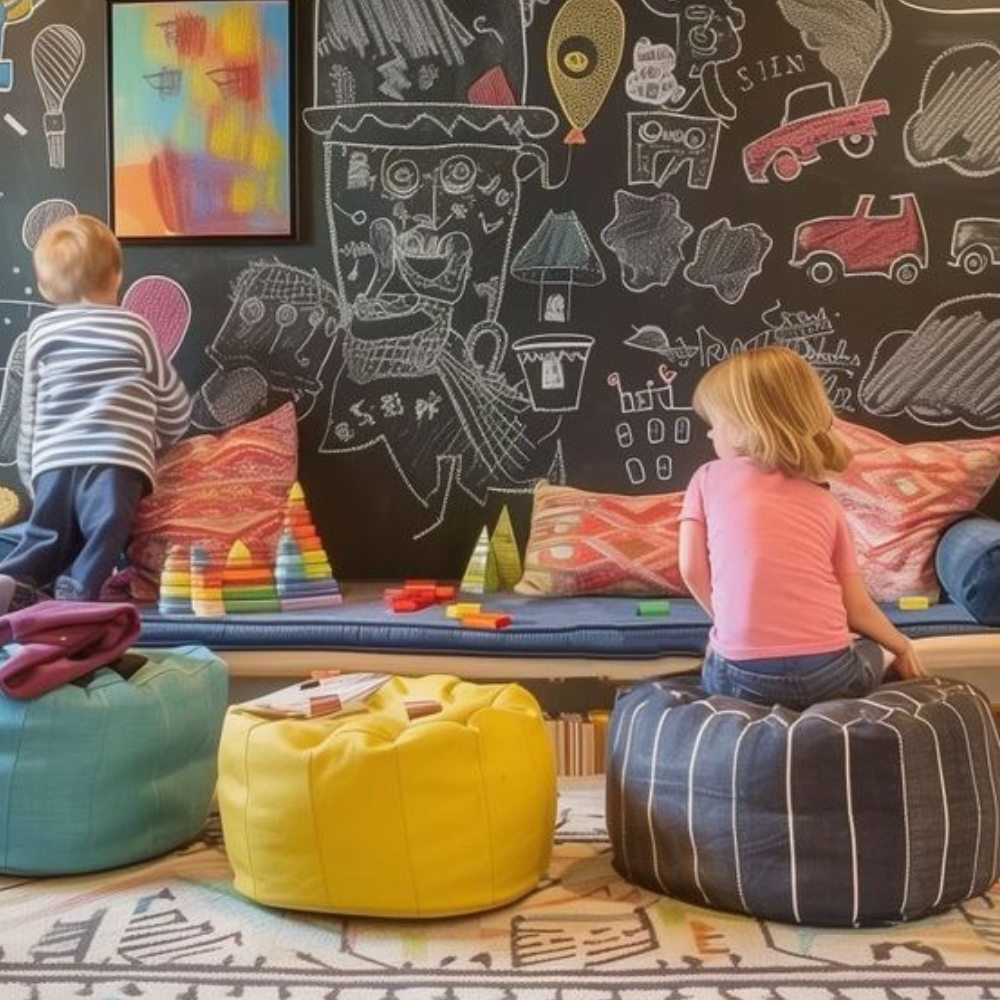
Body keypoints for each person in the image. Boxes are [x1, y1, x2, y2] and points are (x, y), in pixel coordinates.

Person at [678, 345, 924, 709]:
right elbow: (856, 608)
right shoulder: (826, 502)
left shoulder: (707, 477)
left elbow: (690, 568)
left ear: (744, 429)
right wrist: (901, 646)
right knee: (868, 647)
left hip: (740, 679)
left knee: (716, 652)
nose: (710, 437)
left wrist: (725, 623)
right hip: (828, 676)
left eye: (714, 425)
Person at [0, 214, 191, 613]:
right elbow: (172, 401)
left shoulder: (41, 332)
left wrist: (30, 467)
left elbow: (30, 405)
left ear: (47, 287)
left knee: (46, 533)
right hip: (116, 458)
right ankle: (77, 594)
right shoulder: (135, 328)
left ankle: (14, 580)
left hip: (53, 459)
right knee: (105, 532)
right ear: (116, 274)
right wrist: (162, 443)